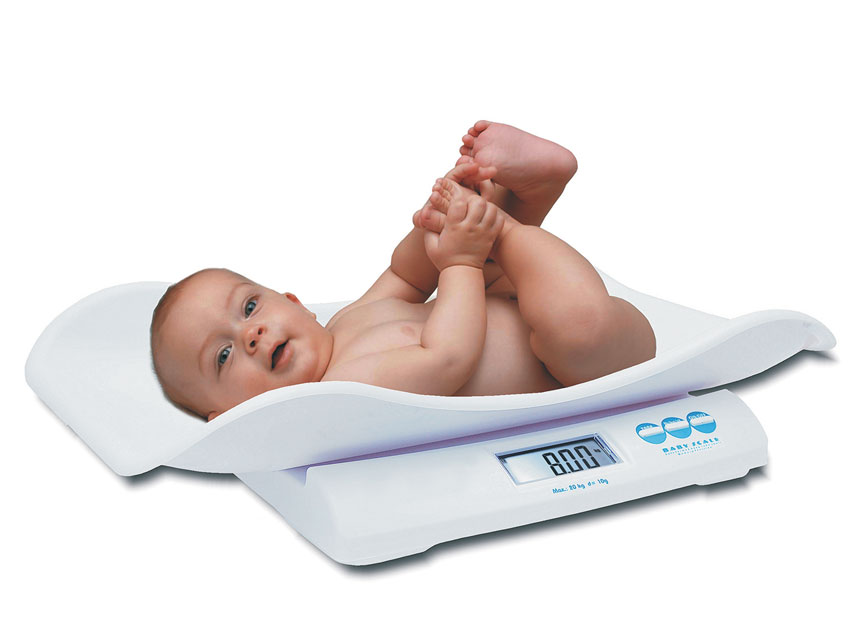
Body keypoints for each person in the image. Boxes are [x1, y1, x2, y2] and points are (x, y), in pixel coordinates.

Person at [150, 121, 656, 420]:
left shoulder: (348, 323)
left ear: (295, 302)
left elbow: (408, 277)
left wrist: (439, 218)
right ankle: (511, 213)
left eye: (249, 306)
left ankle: (519, 191)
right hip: (584, 363)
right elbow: (448, 357)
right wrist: (460, 258)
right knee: (577, 327)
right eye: (222, 355)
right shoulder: (345, 390)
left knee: (486, 261)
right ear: (230, 417)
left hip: (516, 295)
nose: (251, 335)